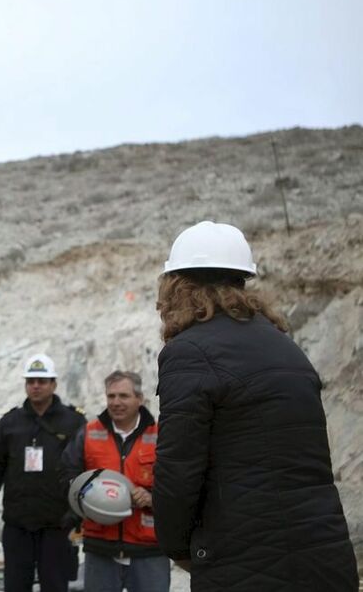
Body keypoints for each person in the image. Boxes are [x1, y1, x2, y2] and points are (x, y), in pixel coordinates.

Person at [153, 221, 358, 591]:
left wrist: (177, 546)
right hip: (323, 551)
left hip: (245, 559)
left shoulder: (189, 352)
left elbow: (178, 470)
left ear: (177, 285)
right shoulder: (284, 346)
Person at [0, 353, 84, 592]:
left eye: (42, 381)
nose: (35, 386)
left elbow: (84, 470)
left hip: (57, 523)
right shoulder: (9, 423)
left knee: (55, 585)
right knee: (16, 585)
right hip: (17, 523)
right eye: (31, 381)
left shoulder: (73, 422)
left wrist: (79, 515)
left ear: (53, 384)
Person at [62, 370, 169, 592]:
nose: (116, 402)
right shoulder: (88, 433)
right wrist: (86, 495)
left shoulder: (161, 435)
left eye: (124, 396)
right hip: (100, 549)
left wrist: (152, 498)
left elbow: (178, 486)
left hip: (148, 549)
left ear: (139, 399)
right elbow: (67, 475)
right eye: (111, 396)